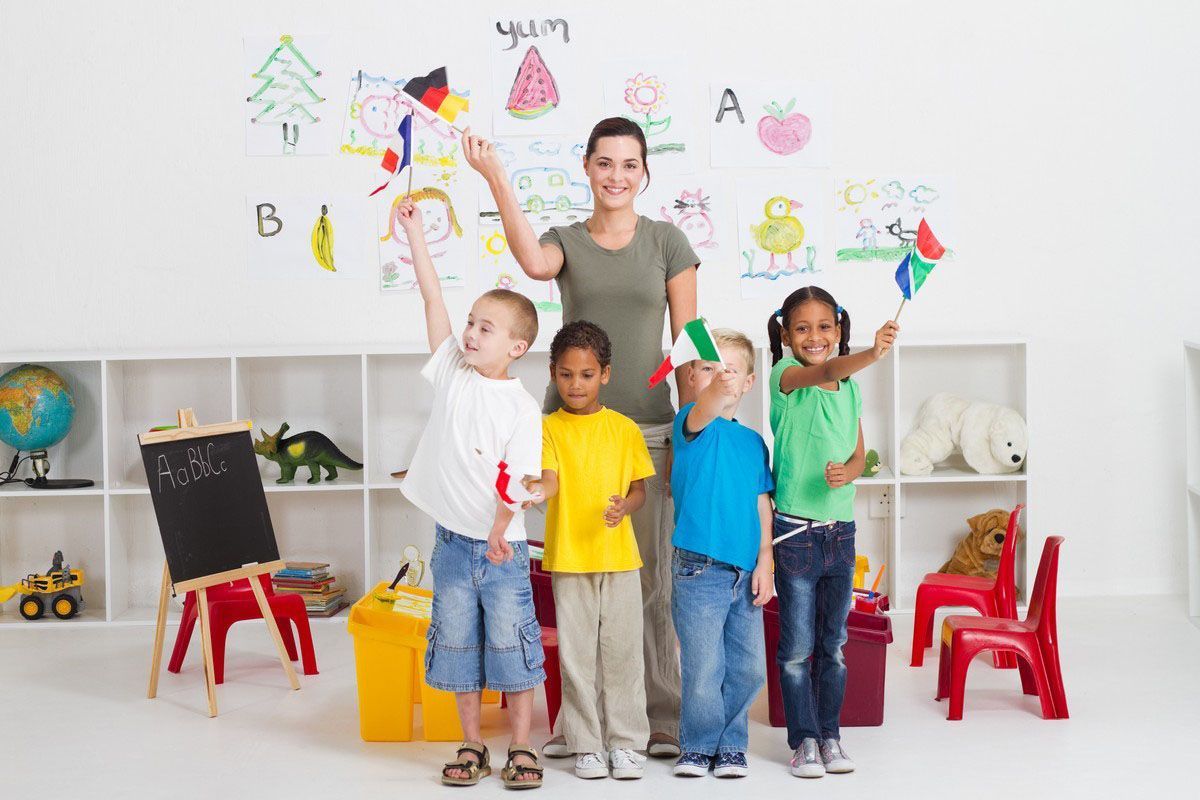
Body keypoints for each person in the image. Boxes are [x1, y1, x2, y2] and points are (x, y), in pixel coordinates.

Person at [465, 116, 699, 757]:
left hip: (646, 431)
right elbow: (532, 262)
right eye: (604, 163)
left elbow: (688, 340)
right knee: (572, 579)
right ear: (588, 168)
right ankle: (579, 720)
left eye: (629, 165)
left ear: (644, 171)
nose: (616, 176)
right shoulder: (566, 240)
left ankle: (658, 715)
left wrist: (694, 423)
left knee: (646, 580)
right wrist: (495, 178)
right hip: (564, 436)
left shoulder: (667, 242)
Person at [393, 198, 545, 789]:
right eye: (471, 323)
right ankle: (472, 743)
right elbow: (434, 301)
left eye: (486, 327)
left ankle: (523, 745)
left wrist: (500, 531)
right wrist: (416, 238)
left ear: (516, 346)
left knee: (512, 647)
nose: (470, 332)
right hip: (453, 544)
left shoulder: (521, 407)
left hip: (501, 547)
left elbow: (517, 481)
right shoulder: (454, 371)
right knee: (457, 646)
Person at [766, 286, 898, 779]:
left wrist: (848, 470)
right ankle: (802, 742)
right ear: (786, 335)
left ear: (838, 329)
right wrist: (870, 353)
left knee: (834, 644)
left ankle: (830, 735)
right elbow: (824, 370)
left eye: (825, 327)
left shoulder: (852, 388)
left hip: (839, 532)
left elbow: (860, 453)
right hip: (795, 533)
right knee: (797, 648)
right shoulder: (787, 377)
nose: (815, 337)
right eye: (802, 328)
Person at [528, 320, 654, 780]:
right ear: (552, 373)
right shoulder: (547, 429)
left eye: (585, 374)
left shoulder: (624, 430)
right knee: (576, 657)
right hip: (568, 559)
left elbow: (639, 491)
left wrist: (625, 507)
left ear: (605, 374)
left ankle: (625, 743)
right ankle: (585, 743)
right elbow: (550, 478)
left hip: (620, 560)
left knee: (622, 655)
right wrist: (536, 489)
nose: (574, 384)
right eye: (565, 374)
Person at [668, 329, 774, 779]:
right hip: (698, 572)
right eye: (708, 368)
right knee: (703, 666)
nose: (719, 378)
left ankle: (730, 744)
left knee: (749, 667)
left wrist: (766, 559)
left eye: (729, 370)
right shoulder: (691, 423)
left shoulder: (752, 443)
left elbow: (761, 503)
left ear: (749, 382)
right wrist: (716, 388)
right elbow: (708, 405)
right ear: (693, 377)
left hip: (746, 571)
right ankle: (697, 745)